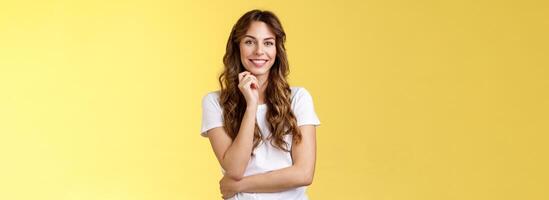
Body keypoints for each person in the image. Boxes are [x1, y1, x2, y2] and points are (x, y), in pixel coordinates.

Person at [200, 9, 320, 200]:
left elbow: (304, 173)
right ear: (237, 46)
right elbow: (235, 169)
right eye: (249, 42)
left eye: (268, 43)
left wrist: (239, 185)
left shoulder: (298, 98)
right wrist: (251, 106)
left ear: (277, 50)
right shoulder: (214, 102)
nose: (259, 51)